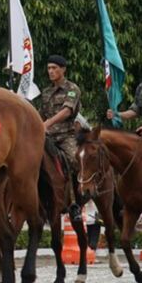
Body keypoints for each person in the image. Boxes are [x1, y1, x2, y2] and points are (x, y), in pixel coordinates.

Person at [38, 54, 85, 230]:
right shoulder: (46, 92)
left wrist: (46, 124)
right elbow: (41, 114)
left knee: (73, 159)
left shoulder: (72, 89)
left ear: (63, 70)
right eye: (49, 68)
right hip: (47, 137)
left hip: (66, 136)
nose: (51, 71)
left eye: (54, 68)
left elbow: (66, 112)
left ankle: (75, 203)